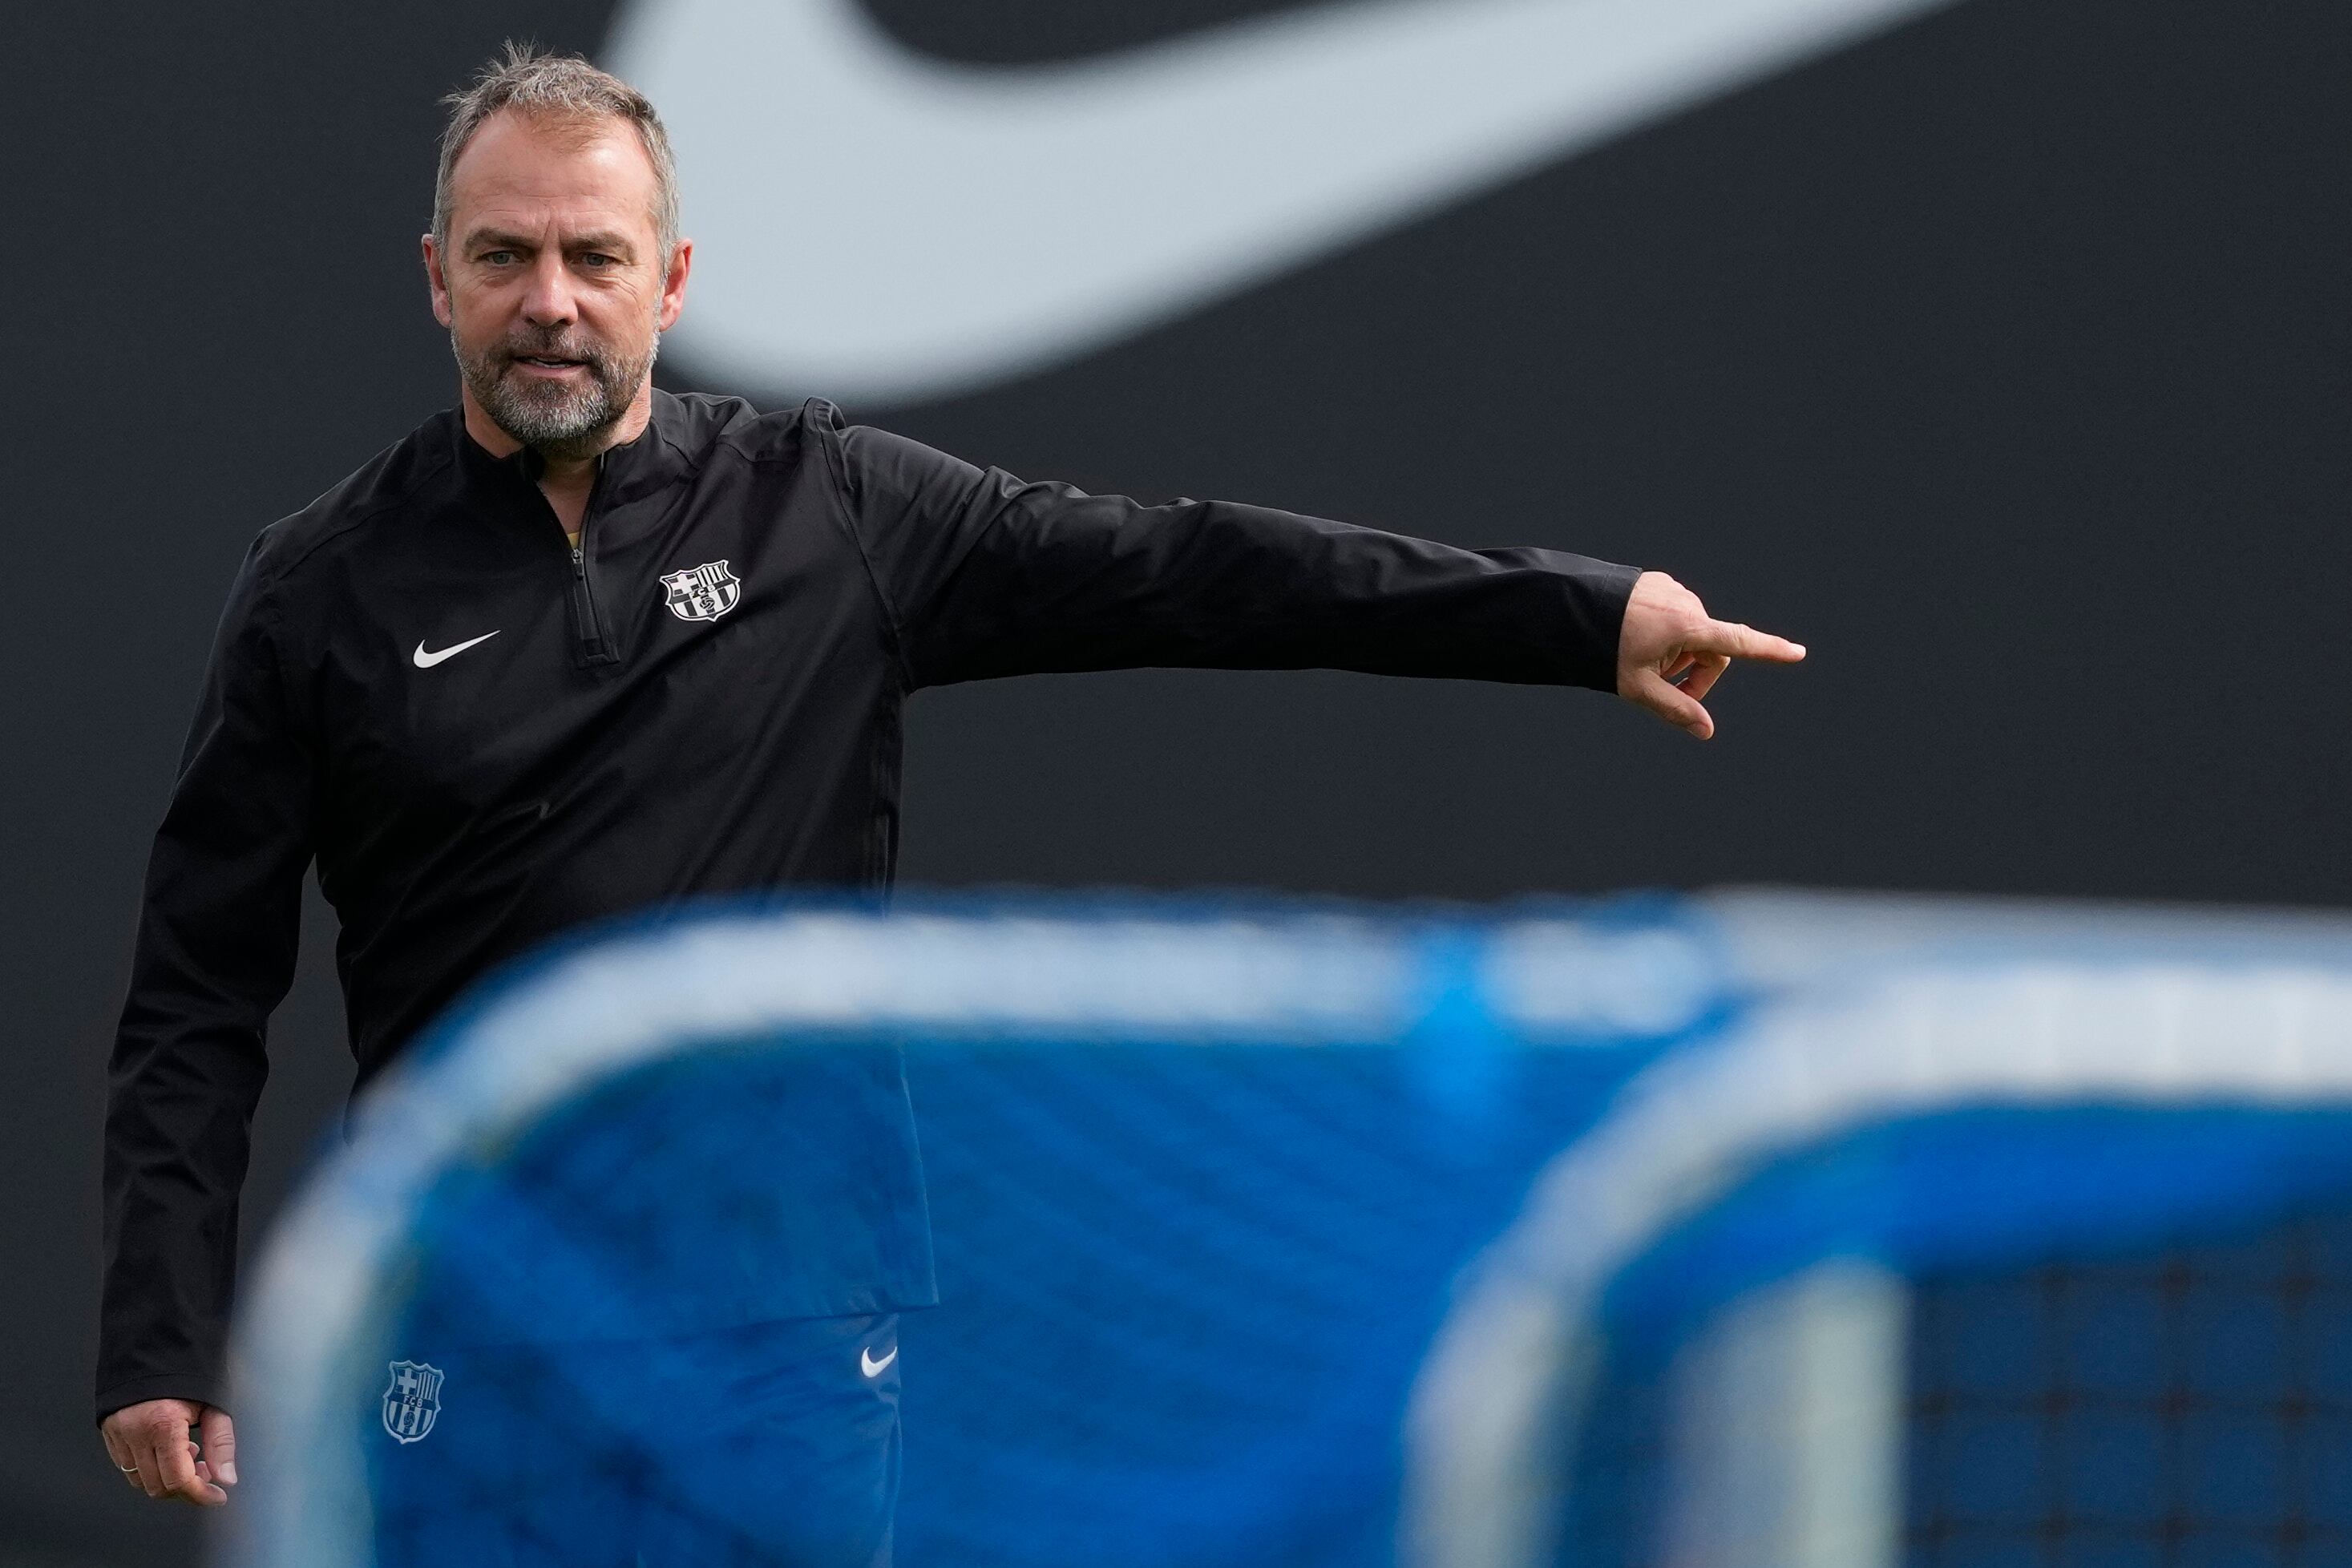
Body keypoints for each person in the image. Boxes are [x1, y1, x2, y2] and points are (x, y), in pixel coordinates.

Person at [95, 42, 1804, 1562]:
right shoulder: (318, 584)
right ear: (437, 282)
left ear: (670, 279)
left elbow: (1195, 570)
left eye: (593, 257)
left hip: (786, 1318)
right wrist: (163, 1334)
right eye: (507, 257)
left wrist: (1575, 617)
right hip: (472, 1299)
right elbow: (196, 996)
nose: (551, 298)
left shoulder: (827, 509)